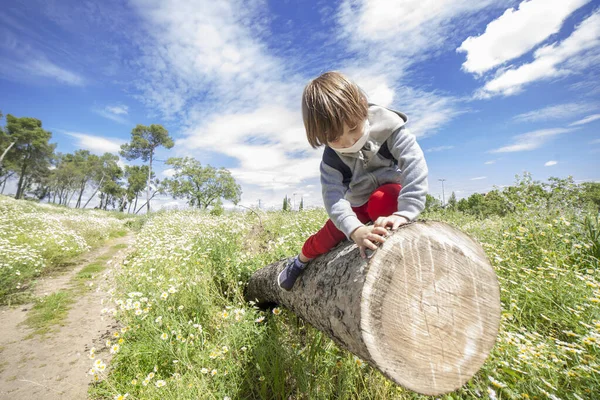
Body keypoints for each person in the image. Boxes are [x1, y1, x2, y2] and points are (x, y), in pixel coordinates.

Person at [278, 71, 429, 291]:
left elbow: (414, 163)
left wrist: (405, 212)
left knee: (386, 199)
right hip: (356, 204)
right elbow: (333, 197)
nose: (349, 141)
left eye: (353, 129)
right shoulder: (331, 159)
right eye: (335, 139)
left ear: (362, 106)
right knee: (325, 238)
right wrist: (354, 229)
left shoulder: (389, 127)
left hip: (386, 195)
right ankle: (299, 261)